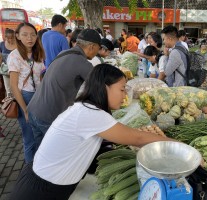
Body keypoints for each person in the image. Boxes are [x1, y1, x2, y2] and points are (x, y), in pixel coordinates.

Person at [9, 64, 174, 200]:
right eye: (122, 89)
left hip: (44, 180)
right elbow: (137, 138)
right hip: (41, 190)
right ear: (104, 88)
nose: (125, 95)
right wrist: (175, 144)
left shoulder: (86, 108)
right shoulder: (91, 114)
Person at [27, 29, 101, 149]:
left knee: (40, 151)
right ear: (92, 46)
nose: (98, 51)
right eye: (98, 47)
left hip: (33, 109)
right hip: (47, 116)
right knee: (55, 153)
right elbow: (99, 88)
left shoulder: (64, 53)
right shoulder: (82, 62)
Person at [7, 22, 45, 163]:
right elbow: (13, 85)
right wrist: (25, 109)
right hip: (25, 97)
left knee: (40, 135)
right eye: (25, 34)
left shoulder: (38, 52)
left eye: (33, 34)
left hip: (39, 96)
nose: (30, 38)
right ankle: (30, 172)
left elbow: (41, 75)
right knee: (29, 137)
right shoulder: (14, 56)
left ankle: (40, 166)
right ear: (17, 36)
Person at [0, 28, 16, 97]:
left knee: (16, 90)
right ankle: (10, 106)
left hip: (16, 71)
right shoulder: (1, 45)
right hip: (5, 71)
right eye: (8, 38)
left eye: (12, 38)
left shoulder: (18, 45)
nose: (10, 40)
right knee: (9, 91)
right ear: (5, 37)